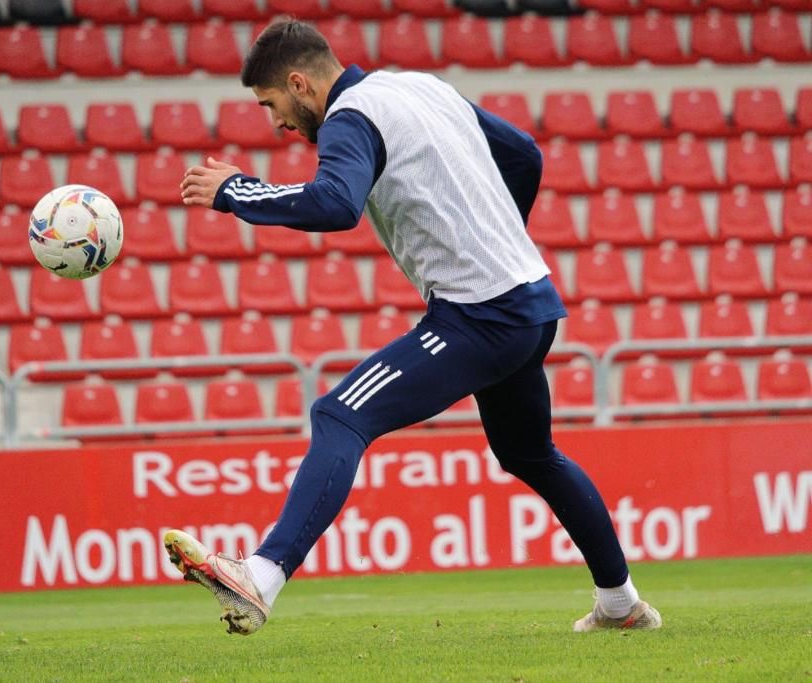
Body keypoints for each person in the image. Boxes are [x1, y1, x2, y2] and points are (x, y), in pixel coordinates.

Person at [166, 19, 662, 636]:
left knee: (340, 414)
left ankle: (262, 574)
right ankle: (620, 602)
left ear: (300, 83)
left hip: (481, 314)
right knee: (530, 452)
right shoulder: (422, 87)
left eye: (273, 105)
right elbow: (525, 155)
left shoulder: (349, 117)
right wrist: (499, 238)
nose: (278, 124)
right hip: (530, 301)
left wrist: (237, 192)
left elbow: (334, 203)